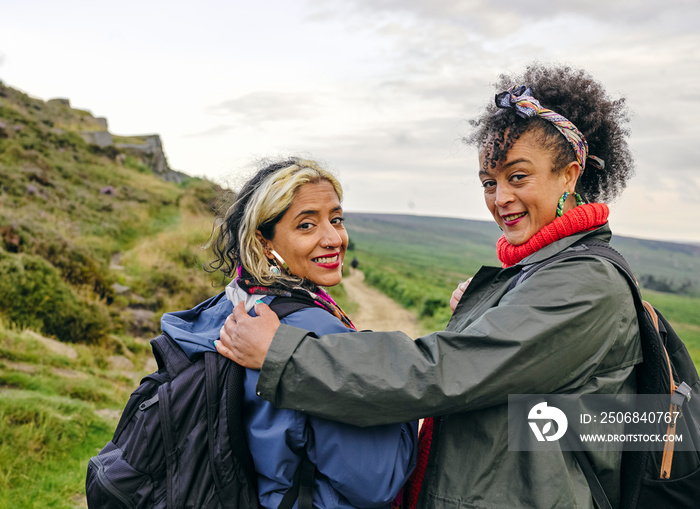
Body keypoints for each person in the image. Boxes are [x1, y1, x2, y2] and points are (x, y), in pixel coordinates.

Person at [216, 64, 643, 508]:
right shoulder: (539, 272)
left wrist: (284, 355)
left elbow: (439, 372)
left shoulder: (584, 282)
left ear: (570, 176)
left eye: (518, 177)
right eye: (488, 182)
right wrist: (491, 308)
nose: (500, 199)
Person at [161, 158, 417, 509]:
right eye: (307, 225)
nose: (333, 238)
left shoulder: (233, 307)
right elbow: (376, 479)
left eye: (336, 219)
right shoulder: (316, 332)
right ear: (264, 242)